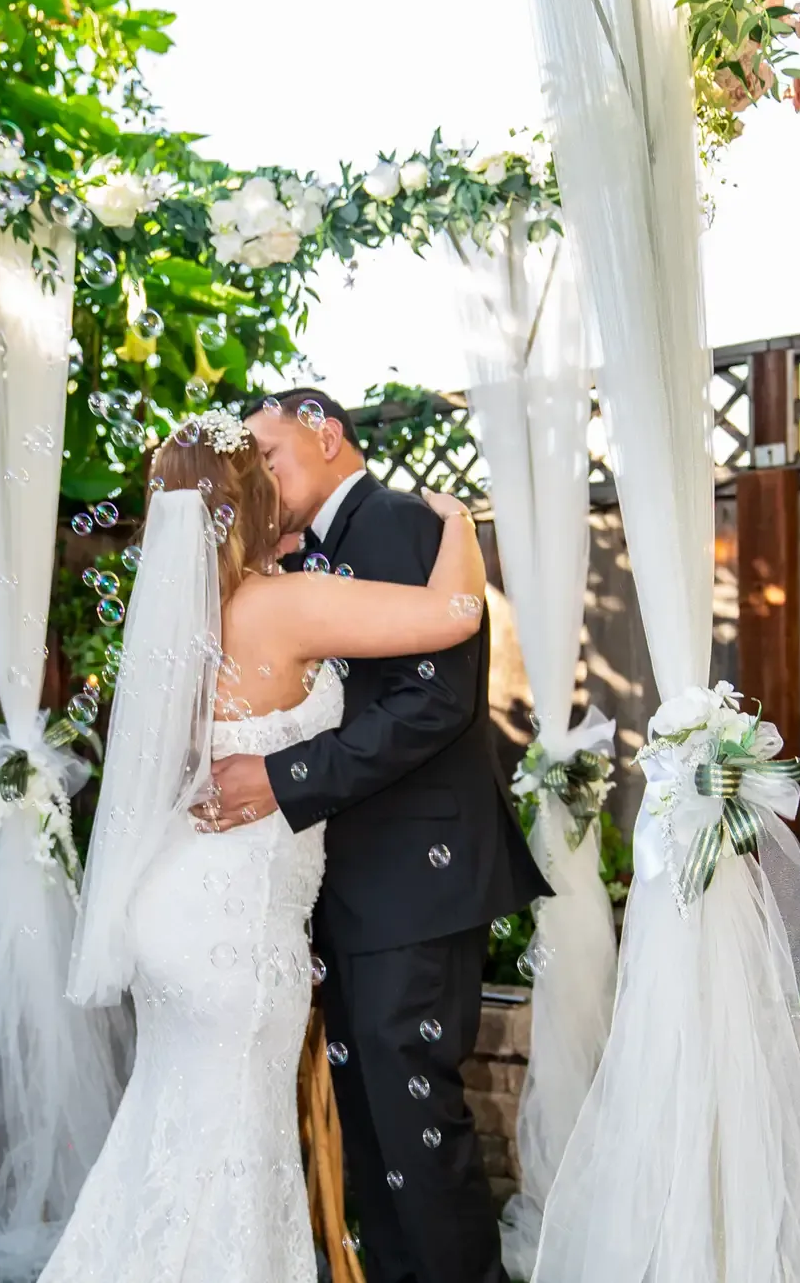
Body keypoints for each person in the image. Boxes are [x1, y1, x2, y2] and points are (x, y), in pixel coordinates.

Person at [40, 407, 491, 1283]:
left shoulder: (189, 615)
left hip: (174, 907)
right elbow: (458, 610)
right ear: (251, 506)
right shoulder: (279, 605)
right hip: (236, 930)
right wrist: (462, 522)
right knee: (233, 1158)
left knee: (169, 1139)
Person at [207, 389, 549, 1283]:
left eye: (269, 455)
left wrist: (285, 779)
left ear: (326, 436)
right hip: (357, 886)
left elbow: (436, 697)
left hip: (414, 883)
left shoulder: (397, 525)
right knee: (375, 1130)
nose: (261, 478)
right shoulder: (296, 558)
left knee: (416, 1129)